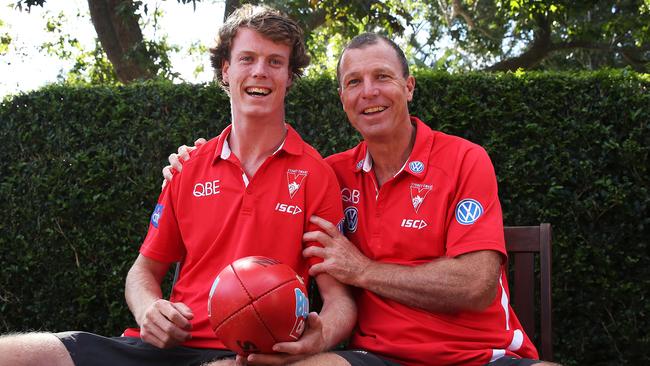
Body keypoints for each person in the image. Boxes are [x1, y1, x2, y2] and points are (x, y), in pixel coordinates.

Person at [164, 33, 561, 366]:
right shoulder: (331, 174)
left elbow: (476, 285)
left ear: (409, 86)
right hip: (371, 356)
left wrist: (364, 270)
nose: (368, 92)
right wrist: (191, 160)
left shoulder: (463, 159)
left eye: (382, 77)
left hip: (477, 354)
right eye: (354, 82)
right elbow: (257, 173)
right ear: (342, 98)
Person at [0, 5, 356, 366]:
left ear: (290, 77)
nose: (260, 71)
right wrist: (149, 310)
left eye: (275, 62)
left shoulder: (316, 174)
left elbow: (338, 299)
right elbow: (142, 272)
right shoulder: (189, 167)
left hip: (245, 352)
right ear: (226, 69)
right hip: (163, 348)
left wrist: (317, 339)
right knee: (16, 355)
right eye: (247, 58)